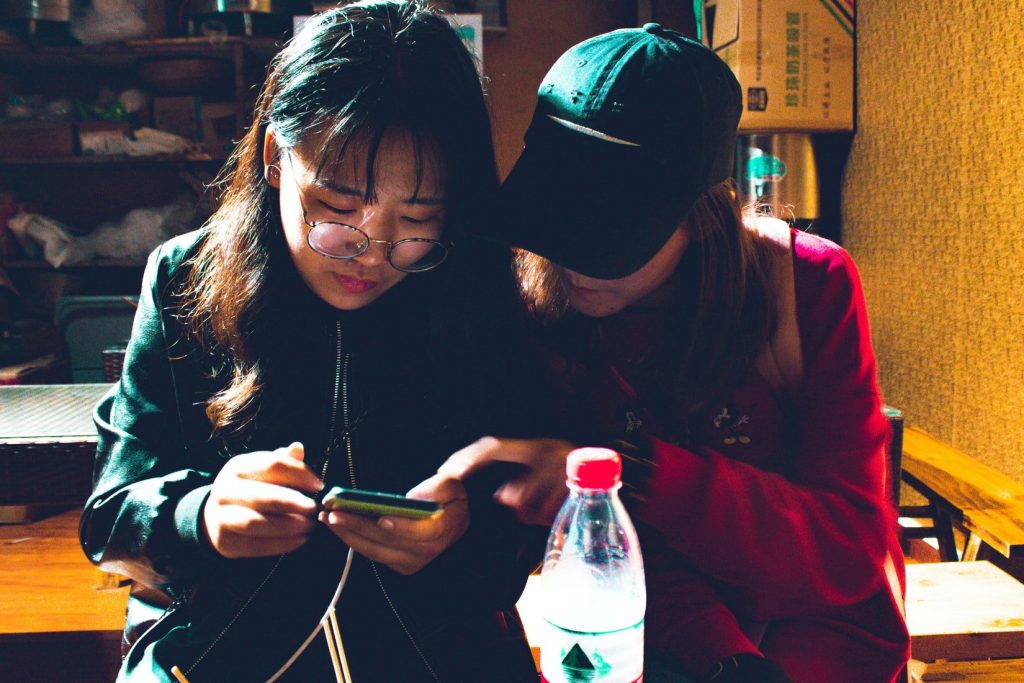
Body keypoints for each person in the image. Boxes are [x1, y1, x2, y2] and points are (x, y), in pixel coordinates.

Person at [79, 3, 541, 681]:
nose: (372, 254)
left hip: (431, 651)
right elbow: (111, 521)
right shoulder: (185, 280)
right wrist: (197, 516)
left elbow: (519, 542)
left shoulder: (477, 284)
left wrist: (461, 537)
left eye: (417, 221)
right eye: (338, 210)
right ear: (274, 158)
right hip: (221, 649)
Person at [439, 24, 912, 683]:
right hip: (649, 641)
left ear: (699, 210)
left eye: (606, 233)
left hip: (818, 650)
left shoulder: (807, 286)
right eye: (553, 216)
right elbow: (615, 557)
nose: (571, 258)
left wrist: (635, 472)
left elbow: (846, 547)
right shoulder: (537, 302)